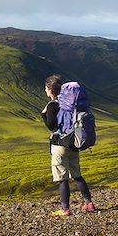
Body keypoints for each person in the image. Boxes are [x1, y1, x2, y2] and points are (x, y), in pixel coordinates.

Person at [41, 75, 96, 216]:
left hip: (60, 145)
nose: (45, 91)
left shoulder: (53, 105)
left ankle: (65, 209)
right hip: (73, 143)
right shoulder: (71, 105)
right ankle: (89, 204)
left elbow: (51, 126)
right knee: (77, 175)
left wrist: (43, 116)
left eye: (46, 88)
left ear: (50, 89)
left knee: (62, 178)